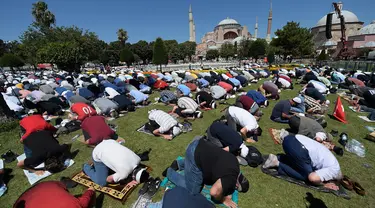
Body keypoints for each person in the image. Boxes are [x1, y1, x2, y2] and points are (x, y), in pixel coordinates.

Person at [164, 139, 249, 208]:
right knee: (193, 191)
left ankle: (180, 163)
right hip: (194, 155)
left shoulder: (235, 163)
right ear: (236, 186)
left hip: (199, 143)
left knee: (205, 163)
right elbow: (214, 192)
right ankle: (169, 172)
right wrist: (223, 199)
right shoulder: (231, 179)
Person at [263, 134, 342, 191]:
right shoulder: (334, 171)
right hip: (298, 148)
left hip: (291, 138)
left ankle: (280, 158)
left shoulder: (332, 161)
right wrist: (324, 184)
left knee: (304, 166)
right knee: (307, 176)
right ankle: (277, 162)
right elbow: (312, 178)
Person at [83, 139, 149, 186]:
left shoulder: (138, 159)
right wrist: (127, 181)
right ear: (133, 177)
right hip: (97, 152)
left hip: (109, 142)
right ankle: (86, 167)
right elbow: (108, 179)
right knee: (102, 182)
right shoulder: (124, 174)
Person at [13, 181, 95, 208]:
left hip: (48, 187)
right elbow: (84, 202)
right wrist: (91, 190)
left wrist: (90, 191)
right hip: (46, 186)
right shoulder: (72, 205)